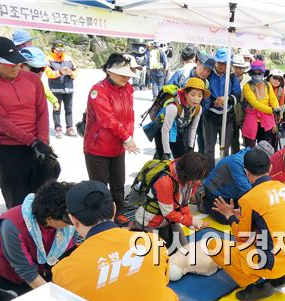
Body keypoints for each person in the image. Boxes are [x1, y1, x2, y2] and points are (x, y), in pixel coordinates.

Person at [52, 180, 181, 301]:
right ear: (114, 209)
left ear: (73, 219)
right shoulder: (153, 242)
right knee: (166, 294)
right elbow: (162, 281)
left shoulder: (64, 270)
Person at [0, 37, 55, 209]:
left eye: (18, 62)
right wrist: (33, 142)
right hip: (9, 148)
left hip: (38, 145)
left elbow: (42, 111)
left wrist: (42, 142)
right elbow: (1, 121)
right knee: (17, 203)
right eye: (10, 63)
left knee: (46, 199)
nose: (16, 66)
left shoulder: (33, 79)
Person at [210, 149, 285, 301]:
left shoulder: (249, 199)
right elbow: (274, 220)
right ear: (270, 168)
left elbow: (241, 236)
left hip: (271, 262)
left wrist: (229, 216)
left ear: (246, 172)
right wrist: (246, 217)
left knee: (213, 246)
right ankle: (282, 276)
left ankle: (254, 285)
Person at [0, 182, 75, 301]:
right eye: (68, 220)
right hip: (9, 276)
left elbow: (69, 255)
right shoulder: (12, 225)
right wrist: (59, 300)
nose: (74, 222)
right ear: (49, 219)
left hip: (44, 269)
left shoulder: (69, 219)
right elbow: (27, 272)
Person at [84, 53, 141, 225]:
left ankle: (119, 211)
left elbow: (130, 115)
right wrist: (126, 136)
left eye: (128, 74)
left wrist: (128, 137)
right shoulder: (98, 90)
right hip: (98, 147)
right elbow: (106, 118)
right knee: (100, 186)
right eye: (122, 73)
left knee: (118, 183)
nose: (127, 77)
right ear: (109, 71)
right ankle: (101, 218)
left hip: (118, 146)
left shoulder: (128, 89)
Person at [134, 152, 209, 247]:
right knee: (157, 256)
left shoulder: (189, 180)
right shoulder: (165, 182)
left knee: (184, 247)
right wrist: (190, 221)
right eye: (198, 178)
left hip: (167, 221)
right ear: (187, 175)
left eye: (201, 177)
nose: (200, 182)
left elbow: (184, 204)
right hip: (150, 222)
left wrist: (190, 221)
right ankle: (135, 228)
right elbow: (168, 213)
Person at [202, 141, 275, 224]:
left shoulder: (251, 159)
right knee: (229, 218)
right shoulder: (238, 163)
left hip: (234, 192)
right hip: (216, 191)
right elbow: (250, 192)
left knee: (248, 214)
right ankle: (204, 200)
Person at [167, 54, 215, 154]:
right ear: (197, 63)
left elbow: (206, 103)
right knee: (166, 151)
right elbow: (167, 93)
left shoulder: (206, 83)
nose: (205, 72)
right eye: (204, 68)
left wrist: (194, 113)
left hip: (189, 122)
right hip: (172, 120)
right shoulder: (182, 74)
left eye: (208, 71)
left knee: (187, 150)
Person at [205, 48, 242, 168]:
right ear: (215, 62)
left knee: (225, 148)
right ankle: (209, 174)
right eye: (220, 62)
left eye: (225, 63)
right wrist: (214, 102)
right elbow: (203, 92)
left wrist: (226, 99)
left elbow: (237, 94)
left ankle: (222, 173)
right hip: (210, 115)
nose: (222, 65)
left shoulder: (232, 77)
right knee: (209, 148)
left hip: (228, 115)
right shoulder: (208, 74)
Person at [155, 77, 209, 159]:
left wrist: (190, 147)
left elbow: (193, 128)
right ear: (185, 94)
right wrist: (166, 152)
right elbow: (165, 130)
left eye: (200, 95)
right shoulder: (173, 107)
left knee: (180, 160)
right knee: (164, 162)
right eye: (193, 94)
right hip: (162, 132)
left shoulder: (198, 108)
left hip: (177, 132)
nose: (196, 99)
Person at [242, 60, 280, 148]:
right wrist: (272, 110)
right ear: (251, 73)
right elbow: (255, 104)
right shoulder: (247, 87)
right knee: (250, 149)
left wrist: (277, 107)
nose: (257, 75)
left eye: (259, 73)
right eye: (254, 73)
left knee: (264, 148)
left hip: (266, 121)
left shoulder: (267, 85)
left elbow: (273, 99)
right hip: (252, 121)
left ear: (263, 73)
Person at [45, 40, 77, 138]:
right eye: (58, 50)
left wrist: (71, 73)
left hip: (68, 88)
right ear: (53, 49)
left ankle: (69, 128)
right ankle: (58, 128)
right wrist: (60, 72)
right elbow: (48, 73)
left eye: (62, 49)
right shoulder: (48, 59)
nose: (60, 51)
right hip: (55, 88)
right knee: (56, 108)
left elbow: (76, 71)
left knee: (69, 109)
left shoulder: (68, 58)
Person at [19, 46, 60, 113]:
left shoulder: (36, 82)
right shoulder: (11, 81)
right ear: (21, 66)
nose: (40, 72)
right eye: (35, 69)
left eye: (42, 69)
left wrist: (54, 101)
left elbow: (44, 89)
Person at [231, 54, 251, 154]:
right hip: (232, 114)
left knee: (247, 140)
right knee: (234, 140)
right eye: (236, 67)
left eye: (241, 67)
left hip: (245, 115)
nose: (238, 70)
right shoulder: (228, 78)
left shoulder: (249, 80)